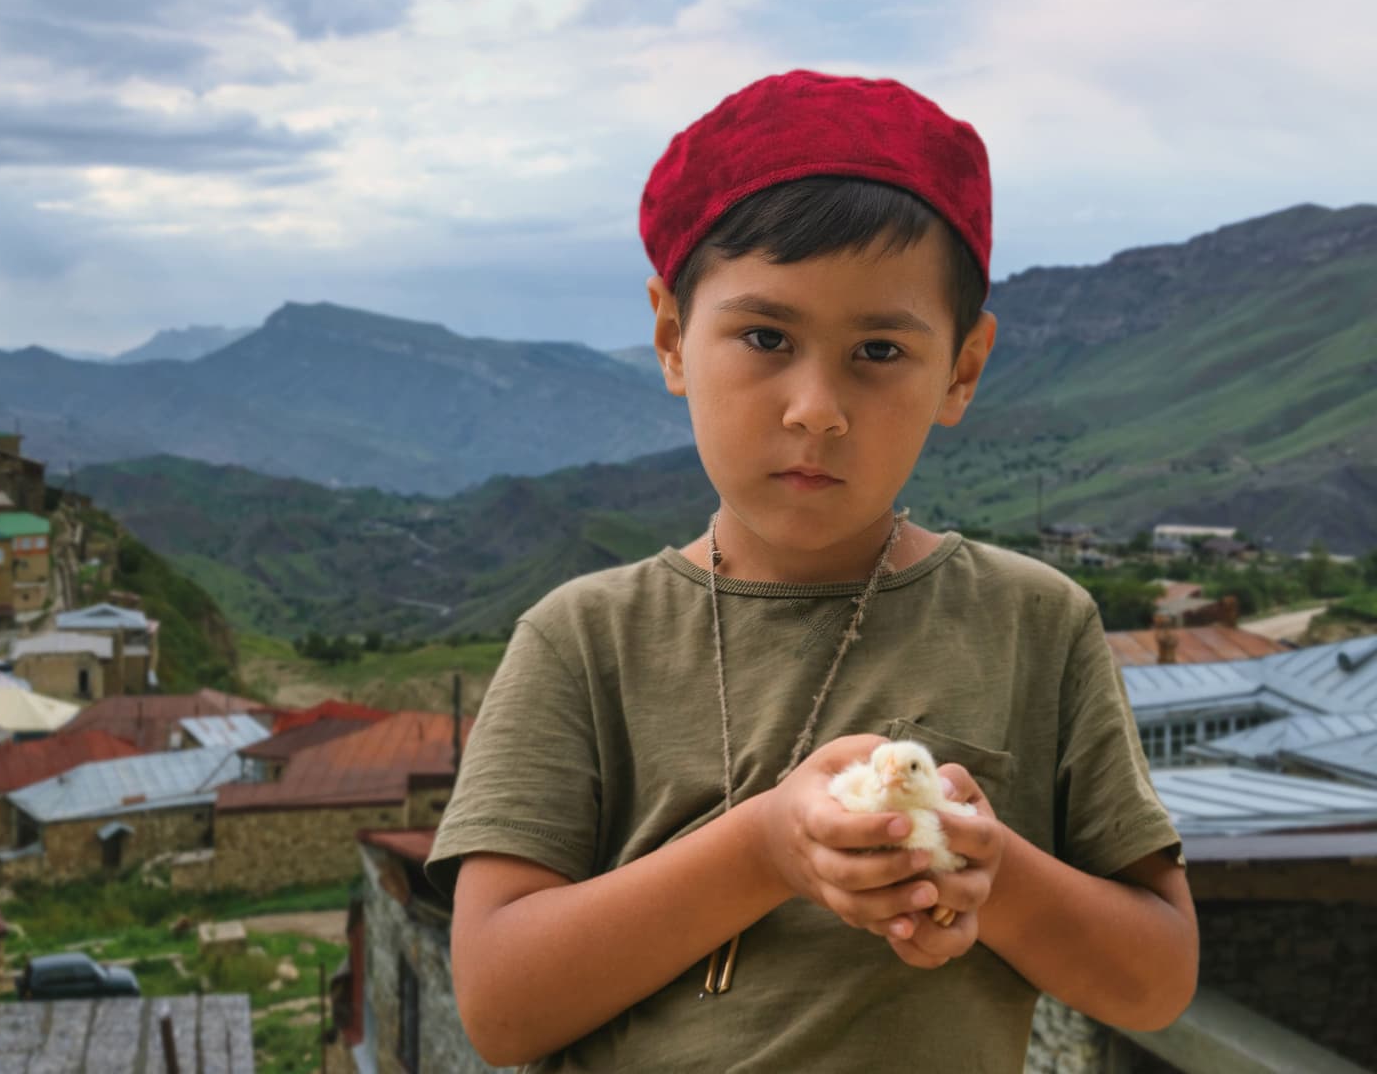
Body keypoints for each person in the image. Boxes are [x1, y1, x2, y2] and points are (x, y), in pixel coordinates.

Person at [426, 70, 1198, 1071]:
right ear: (672, 337)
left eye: (878, 350)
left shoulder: (1033, 624)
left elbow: (1155, 982)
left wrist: (989, 871)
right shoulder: (583, 640)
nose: (816, 409)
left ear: (962, 368)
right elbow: (499, 1007)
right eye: (765, 337)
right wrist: (764, 851)